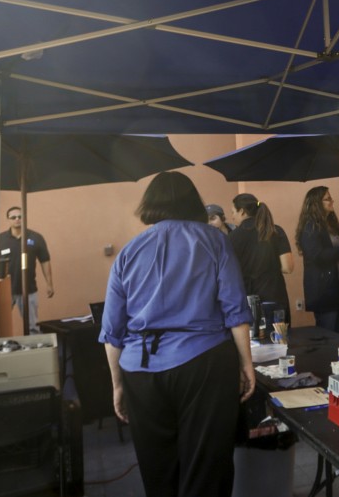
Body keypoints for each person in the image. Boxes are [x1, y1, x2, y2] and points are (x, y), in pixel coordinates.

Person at [98, 172, 255, 497]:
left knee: (158, 471)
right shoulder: (214, 240)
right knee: (207, 469)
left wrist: (117, 384)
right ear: (192, 202)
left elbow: (112, 332)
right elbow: (235, 311)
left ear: (150, 205)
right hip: (204, 365)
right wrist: (246, 365)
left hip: (141, 372)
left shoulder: (128, 252)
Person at [296, 186, 339, 334]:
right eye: (327, 199)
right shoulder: (310, 226)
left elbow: (335, 251)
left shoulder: (331, 224)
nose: (332, 201)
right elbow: (317, 256)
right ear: (316, 203)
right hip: (325, 290)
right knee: (329, 334)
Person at [227, 193, 293, 323]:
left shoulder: (232, 237)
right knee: (278, 340)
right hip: (275, 297)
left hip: (246, 300)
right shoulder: (275, 231)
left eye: (233, 212)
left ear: (242, 211)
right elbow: (288, 267)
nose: (232, 217)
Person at [0, 206, 54, 334]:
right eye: (13, 217)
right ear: (8, 220)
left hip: (29, 290)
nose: (17, 219)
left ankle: (34, 353)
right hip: (4, 291)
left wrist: (49, 284)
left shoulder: (36, 237)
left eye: (20, 217)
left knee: (33, 328)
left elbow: (45, 261)